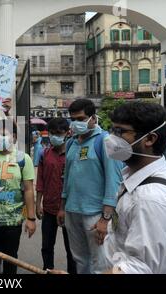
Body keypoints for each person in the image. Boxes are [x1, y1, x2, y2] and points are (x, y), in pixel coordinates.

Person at [102, 102, 166, 274]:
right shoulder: (141, 176)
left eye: (120, 132)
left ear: (150, 139)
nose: (111, 138)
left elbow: (136, 269)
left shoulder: (150, 198)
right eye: (112, 130)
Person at [57, 99, 122, 274]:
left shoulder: (107, 142)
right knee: (80, 261)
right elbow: (67, 178)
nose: (76, 123)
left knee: (101, 263)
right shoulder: (71, 143)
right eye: (73, 119)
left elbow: (114, 182)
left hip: (95, 216)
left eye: (81, 118)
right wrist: (63, 207)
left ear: (93, 118)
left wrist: (105, 218)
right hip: (72, 212)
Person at [0, 119, 36, 274]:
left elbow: (29, 190)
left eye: (3, 134)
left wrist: (31, 219)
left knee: (11, 259)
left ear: (14, 137)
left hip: (13, 221)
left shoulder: (24, 159)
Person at [35, 118, 76, 274]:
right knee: (47, 246)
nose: (55, 137)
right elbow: (40, 181)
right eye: (52, 133)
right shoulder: (45, 154)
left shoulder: (73, 154)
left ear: (67, 133)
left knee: (71, 249)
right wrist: (38, 203)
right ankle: (47, 270)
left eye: (58, 133)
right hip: (49, 208)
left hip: (69, 209)